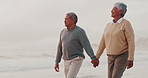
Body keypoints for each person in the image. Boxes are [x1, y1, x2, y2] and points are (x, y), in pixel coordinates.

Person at [96, 2, 135, 78]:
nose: (111, 11)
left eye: (114, 9)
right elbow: (103, 42)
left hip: (122, 55)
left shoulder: (126, 24)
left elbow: (131, 42)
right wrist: (97, 57)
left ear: (120, 11)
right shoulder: (108, 25)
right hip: (110, 57)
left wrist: (131, 59)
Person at [54, 12, 99, 78]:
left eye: (66, 19)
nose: (64, 21)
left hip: (76, 58)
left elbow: (86, 45)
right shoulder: (63, 32)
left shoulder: (80, 31)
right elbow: (60, 47)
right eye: (64, 19)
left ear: (73, 20)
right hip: (66, 60)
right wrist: (57, 62)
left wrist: (93, 57)